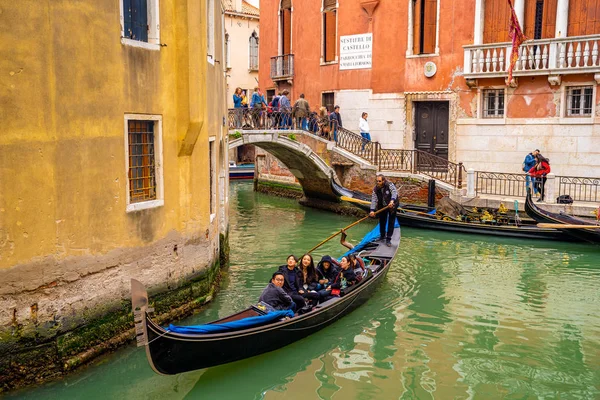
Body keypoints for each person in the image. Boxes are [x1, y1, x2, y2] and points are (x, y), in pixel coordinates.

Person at [369, 174, 398, 246]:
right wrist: (372, 210)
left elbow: (394, 192)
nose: (378, 182)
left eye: (379, 181)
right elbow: (374, 200)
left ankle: (388, 239)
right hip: (382, 206)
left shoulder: (389, 185)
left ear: (383, 181)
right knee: (382, 221)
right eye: (377, 181)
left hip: (392, 205)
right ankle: (382, 236)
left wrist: (392, 201)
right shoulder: (375, 189)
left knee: (391, 221)